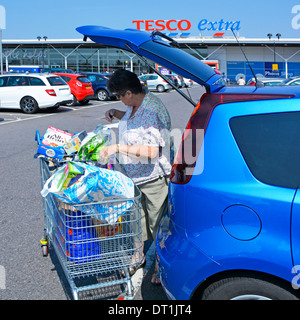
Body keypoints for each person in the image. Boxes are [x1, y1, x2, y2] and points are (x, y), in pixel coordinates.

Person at [99, 69, 173, 284]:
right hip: (135, 176)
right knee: (136, 220)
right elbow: (134, 122)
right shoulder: (137, 104)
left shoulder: (151, 111)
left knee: (158, 223)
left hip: (153, 178)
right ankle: (138, 255)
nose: (119, 100)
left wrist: (116, 147)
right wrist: (117, 112)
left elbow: (151, 151)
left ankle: (160, 265)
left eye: (118, 96)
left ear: (128, 92)